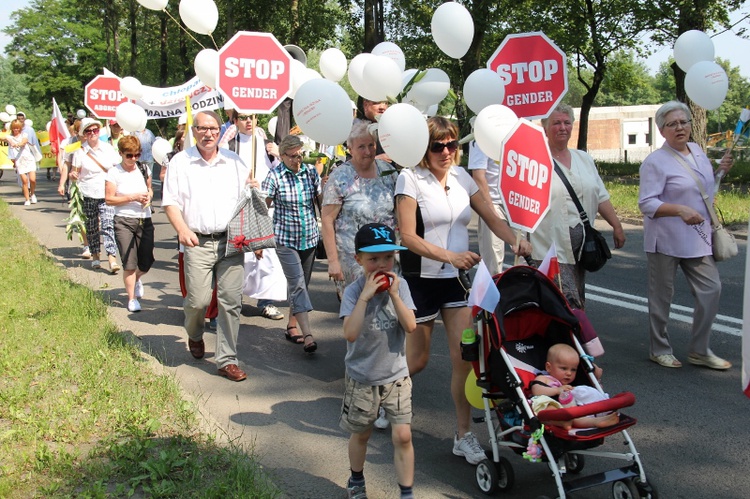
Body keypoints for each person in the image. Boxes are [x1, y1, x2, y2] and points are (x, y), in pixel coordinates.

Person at [394, 116, 532, 464]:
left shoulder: (461, 177)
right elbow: (407, 236)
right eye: (438, 146)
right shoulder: (409, 178)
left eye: (452, 144)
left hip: (454, 282)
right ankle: (382, 394)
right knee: (418, 360)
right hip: (421, 279)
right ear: (423, 149)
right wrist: (449, 256)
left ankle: (463, 435)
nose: (447, 152)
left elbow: (491, 215)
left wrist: (517, 240)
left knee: (465, 360)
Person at [162, 110, 257, 382]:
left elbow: (247, 203)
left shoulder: (235, 162)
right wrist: (182, 229)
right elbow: (170, 202)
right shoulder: (181, 163)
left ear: (220, 131)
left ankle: (227, 359)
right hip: (197, 241)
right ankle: (194, 333)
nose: (209, 134)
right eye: (203, 129)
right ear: (194, 131)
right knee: (199, 300)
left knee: (230, 302)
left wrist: (253, 189)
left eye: (214, 129)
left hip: (231, 241)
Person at [638, 100, 733, 370]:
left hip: (697, 237)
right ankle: (660, 348)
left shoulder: (697, 151)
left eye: (684, 122)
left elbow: (704, 189)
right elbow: (646, 203)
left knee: (711, 289)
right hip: (665, 240)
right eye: (672, 124)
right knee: (661, 298)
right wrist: (679, 210)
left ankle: (700, 349)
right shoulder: (655, 162)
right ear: (662, 130)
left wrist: (721, 172)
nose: (680, 128)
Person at [340, 223, 417, 499]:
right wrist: (364, 297)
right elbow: (349, 334)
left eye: (388, 257)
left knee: (403, 436)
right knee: (362, 434)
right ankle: (357, 479)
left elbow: (411, 326)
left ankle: (406, 492)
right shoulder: (353, 292)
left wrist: (395, 295)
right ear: (358, 259)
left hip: (396, 375)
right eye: (373, 259)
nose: (382, 265)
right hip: (363, 377)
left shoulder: (401, 286)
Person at [532, 103, 625, 309]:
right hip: (549, 246)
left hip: (582, 246)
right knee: (566, 299)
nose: (562, 127)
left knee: (576, 293)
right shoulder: (535, 161)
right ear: (545, 127)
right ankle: (576, 337)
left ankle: (571, 339)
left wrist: (616, 225)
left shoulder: (583, 159)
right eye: (556, 123)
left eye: (567, 122)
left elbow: (600, 195)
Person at [224, 110, 285, 321]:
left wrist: (279, 154)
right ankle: (234, 300)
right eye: (243, 117)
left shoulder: (267, 145)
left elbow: (280, 173)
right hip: (239, 209)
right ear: (235, 120)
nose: (248, 121)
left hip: (265, 209)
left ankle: (266, 302)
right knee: (241, 256)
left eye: (252, 117)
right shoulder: (228, 146)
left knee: (267, 258)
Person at [262, 134, 320, 353]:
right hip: (285, 238)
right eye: (293, 156)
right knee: (296, 283)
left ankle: (291, 325)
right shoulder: (275, 176)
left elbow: (320, 200)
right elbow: (262, 206)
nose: (298, 160)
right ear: (283, 156)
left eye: (300, 155)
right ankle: (308, 335)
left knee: (302, 284)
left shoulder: (310, 172)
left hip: (310, 237)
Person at [321, 122, 398, 285]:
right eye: (361, 146)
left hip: (387, 257)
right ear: (350, 149)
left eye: (371, 145)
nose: (368, 151)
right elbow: (328, 220)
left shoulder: (388, 172)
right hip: (354, 261)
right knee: (356, 307)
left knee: (390, 307)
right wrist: (333, 261)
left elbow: (399, 212)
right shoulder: (339, 177)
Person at [105, 135, 155, 313]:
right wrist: (132, 197)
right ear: (121, 153)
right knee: (129, 263)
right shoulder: (114, 172)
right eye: (129, 155)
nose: (133, 159)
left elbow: (150, 189)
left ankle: (136, 279)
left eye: (137, 154)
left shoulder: (143, 168)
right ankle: (132, 298)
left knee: (147, 260)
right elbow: (109, 199)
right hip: (123, 220)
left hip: (144, 219)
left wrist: (148, 196)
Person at [70, 118, 122, 273]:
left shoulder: (107, 148)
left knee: (108, 225)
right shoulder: (80, 151)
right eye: (88, 131)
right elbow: (75, 172)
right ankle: (96, 257)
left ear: (99, 132)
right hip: (88, 192)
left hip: (106, 193)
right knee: (91, 227)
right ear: (84, 134)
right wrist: (73, 175)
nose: (92, 133)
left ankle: (112, 259)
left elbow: (116, 168)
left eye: (95, 130)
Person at [529, 343, 618, 429]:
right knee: (547, 406)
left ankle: (601, 414)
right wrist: (557, 390)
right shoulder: (544, 378)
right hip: (548, 406)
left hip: (567, 411)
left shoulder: (566, 385)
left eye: (573, 370)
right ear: (549, 367)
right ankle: (592, 421)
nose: (569, 373)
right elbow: (536, 390)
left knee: (581, 398)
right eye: (563, 368)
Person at [468, 141, 507, 275]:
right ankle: (494, 294)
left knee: (526, 257)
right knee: (493, 265)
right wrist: (490, 211)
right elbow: (478, 176)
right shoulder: (482, 135)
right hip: (494, 203)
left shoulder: (521, 130)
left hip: (519, 204)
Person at [6, 119, 37, 206]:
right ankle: (27, 199)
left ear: (20, 128)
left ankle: (33, 194)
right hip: (19, 160)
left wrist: (18, 144)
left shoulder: (24, 134)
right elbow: (3, 137)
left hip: (28, 158)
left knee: (32, 179)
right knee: (24, 181)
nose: (16, 130)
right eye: (14, 128)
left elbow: (24, 141)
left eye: (18, 128)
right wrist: (10, 141)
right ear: (12, 128)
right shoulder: (10, 137)